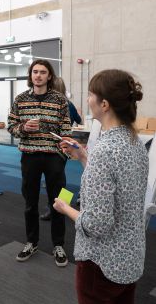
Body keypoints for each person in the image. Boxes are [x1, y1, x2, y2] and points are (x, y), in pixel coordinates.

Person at [53, 69, 148, 304]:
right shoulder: (134, 141)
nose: (87, 100)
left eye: (90, 94)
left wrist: (65, 208)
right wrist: (85, 157)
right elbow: (118, 187)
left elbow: (96, 224)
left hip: (101, 264)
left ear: (104, 104)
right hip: (129, 258)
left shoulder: (106, 150)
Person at [8, 59, 72, 267]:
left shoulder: (59, 100)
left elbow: (66, 128)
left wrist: (65, 151)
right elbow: (11, 126)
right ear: (31, 75)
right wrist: (24, 129)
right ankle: (32, 242)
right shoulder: (20, 99)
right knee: (30, 203)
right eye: (35, 72)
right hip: (30, 156)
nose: (38, 75)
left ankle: (58, 245)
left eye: (42, 72)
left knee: (59, 203)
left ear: (49, 76)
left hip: (54, 157)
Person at [40, 76, 82, 221]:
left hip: (55, 146)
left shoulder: (58, 104)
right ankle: (60, 205)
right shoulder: (69, 103)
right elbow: (79, 120)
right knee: (58, 177)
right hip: (63, 146)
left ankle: (55, 207)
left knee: (55, 179)